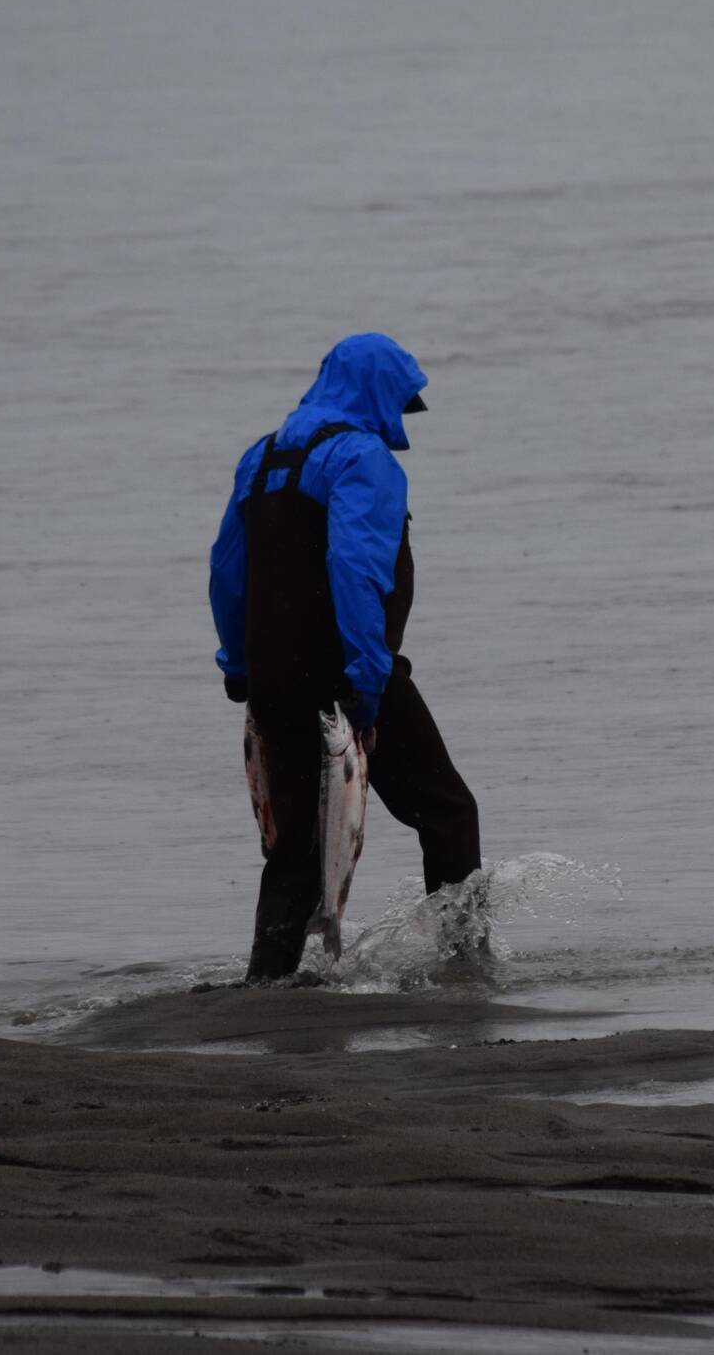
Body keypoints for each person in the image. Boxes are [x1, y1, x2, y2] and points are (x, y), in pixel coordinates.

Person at [209, 333, 481, 983]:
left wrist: (238, 663)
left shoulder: (262, 457)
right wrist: (365, 678)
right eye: (401, 398)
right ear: (376, 391)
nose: (404, 416)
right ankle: (464, 964)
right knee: (446, 810)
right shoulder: (361, 457)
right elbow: (354, 569)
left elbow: (227, 571)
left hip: (273, 680)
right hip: (346, 675)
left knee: (297, 845)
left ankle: (266, 980)